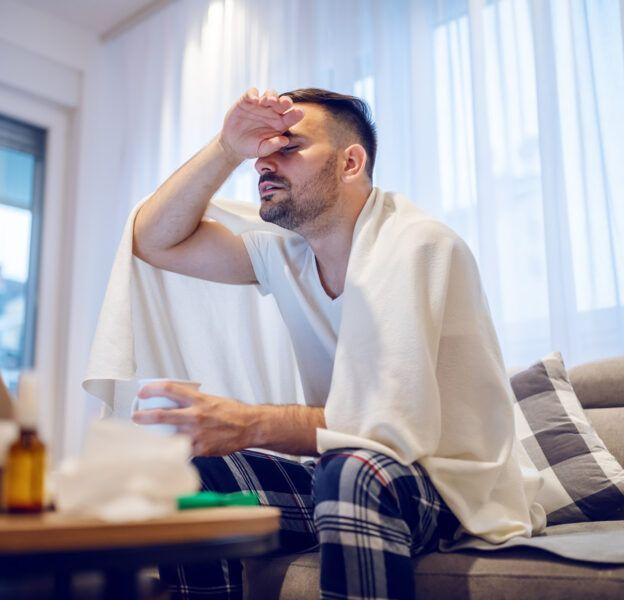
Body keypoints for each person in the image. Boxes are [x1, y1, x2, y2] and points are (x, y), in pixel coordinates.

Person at [131, 88, 466, 599]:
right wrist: (227, 146)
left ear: (351, 162)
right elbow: (154, 239)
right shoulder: (285, 255)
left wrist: (249, 423)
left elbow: (387, 428)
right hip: (347, 473)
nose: (264, 163)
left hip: (440, 485)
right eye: (261, 152)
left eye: (288, 148)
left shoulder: (415, 243)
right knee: (194, 474)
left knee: (352, 472)